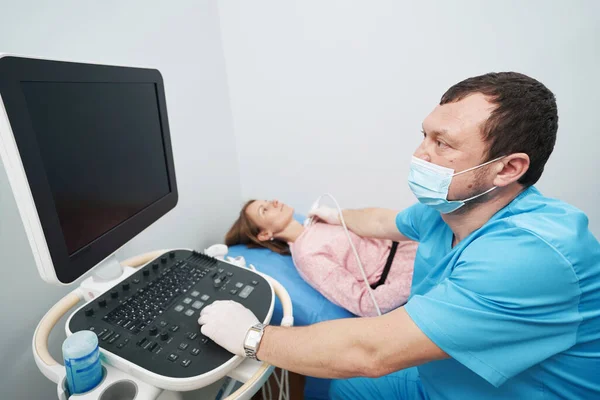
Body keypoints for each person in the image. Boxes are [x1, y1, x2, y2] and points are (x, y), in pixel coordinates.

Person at [198, 72, 600, 399]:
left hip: (510, 391)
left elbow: (372, 352)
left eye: (442, 144)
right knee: (347, 390)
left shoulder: (533, 254)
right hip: (444, 375)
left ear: (508, 169)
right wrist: (337, 216)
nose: (420, 154)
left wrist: (252, 337)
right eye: (425, 135)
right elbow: (380, 222)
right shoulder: (448, 210)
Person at [224, 199, 418, 317]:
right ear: (265, 235)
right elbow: (366, 305)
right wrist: (418, 276)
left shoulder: (319, 221)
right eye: (264, 210)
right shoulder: (307, 256)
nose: (274, 202)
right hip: (408, 270)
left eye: (267, 202)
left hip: (410, 244)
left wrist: (340, 216)